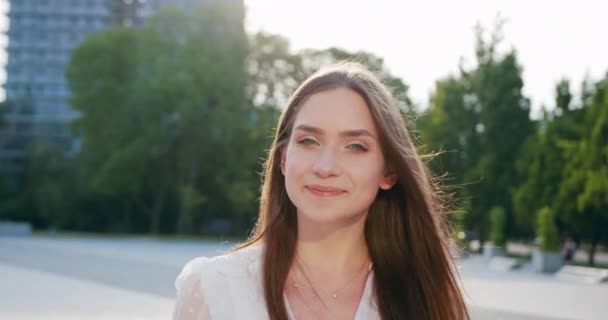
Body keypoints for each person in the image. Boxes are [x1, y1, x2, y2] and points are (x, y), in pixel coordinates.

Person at [173, 62, 470, 320]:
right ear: (284, 159)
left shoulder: (424, 294)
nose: (325, 166)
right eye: (309, 141)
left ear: (388, 172)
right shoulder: (215, 289)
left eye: (355, 146)